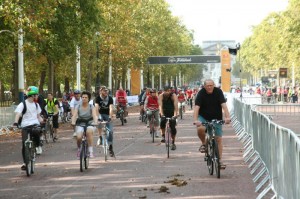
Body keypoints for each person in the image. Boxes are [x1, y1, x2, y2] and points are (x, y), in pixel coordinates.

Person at [193, 79, 230, 169]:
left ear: (214, 85)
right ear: (204, 86)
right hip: (203, 117)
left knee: (218, 139)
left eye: (211, 85)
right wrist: (195, 120)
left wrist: (227, 117)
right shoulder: (201, 93)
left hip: (216, 117)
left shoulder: (218, 92)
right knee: (200, 129)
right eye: (207, 86)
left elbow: (224, 106)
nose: (209, 87)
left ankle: (220, 160)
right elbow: (197, 108)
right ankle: (204, 144)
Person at [13, 86, 44, 170]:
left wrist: (43, 121)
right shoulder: (23, 104)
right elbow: (18, 114)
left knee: (37, 131)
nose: (37, 96)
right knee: (24, 144)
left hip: (35, 124)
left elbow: (38, 116)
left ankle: (37, 146)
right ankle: (25, 162)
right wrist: (15, 123)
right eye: (36, 95)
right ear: (33, 95)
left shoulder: (36, 105)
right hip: (25, 126)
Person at [71, 91, 98, 158]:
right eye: (83, 97)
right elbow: (74, 115)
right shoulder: (78, 106)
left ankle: (91, 151)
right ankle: (79, 149)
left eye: (86, 97)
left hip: (90, 123)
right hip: (80, 123)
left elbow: (94, 115)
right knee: (79, 137)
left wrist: (95, 122)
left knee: (89, 132)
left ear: (88, 99)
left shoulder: (91, 106)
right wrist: (73, 122)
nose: (84, 98)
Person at [94, 86, 115, 157]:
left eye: (107, 91)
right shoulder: (97, 98)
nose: (106, 92)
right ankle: (100, 136)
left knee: (111, 131)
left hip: (107, 114)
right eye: (104, 91)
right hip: (100, 114)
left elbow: (111, 108)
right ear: (101, 92)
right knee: (98, 121)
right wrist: (98, 117)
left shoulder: (110, 98)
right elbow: (96, 108)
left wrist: (110, 116)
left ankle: (110, 146)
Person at [158, 86, 178, 150]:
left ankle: (173, 142)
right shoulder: (161, 96)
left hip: (172, 112)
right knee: (162, 123)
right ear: (164, 91)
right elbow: (160, 106)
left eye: (169, 90)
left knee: (173, 128)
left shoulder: (173, 96)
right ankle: (163, 136)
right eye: (167, 91)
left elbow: (176, 106)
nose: (168, 92)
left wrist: (175, 115)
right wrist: (162, 114)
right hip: (164, 112)